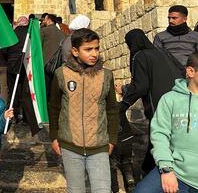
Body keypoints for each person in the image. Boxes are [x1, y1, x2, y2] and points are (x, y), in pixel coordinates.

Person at [49, 28, 119, 193]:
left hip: (100, 146)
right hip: (70, 146)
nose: (94, 53)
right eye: (88, 49)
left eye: (96, 48)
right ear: (75, 51)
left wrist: (112, 139)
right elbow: (54, 108)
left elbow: (112, 110)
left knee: (103, 190)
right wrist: (54, 136)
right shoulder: (61, 74)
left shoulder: (106, 75)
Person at [115, 29, 183, 174]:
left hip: (159, 105)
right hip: (179, 101)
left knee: (158, 139)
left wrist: (125, 103)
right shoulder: (163, 52)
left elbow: (140, 86)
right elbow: (182, 71)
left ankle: (149, 172)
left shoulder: (139, 56)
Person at [133, 52, 198, 193]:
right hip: (176, 171)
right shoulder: (170, 99)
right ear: (191, 71)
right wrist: (166, 169)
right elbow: (160, 135)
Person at [41, 14, 67, 99]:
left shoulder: (43, 31)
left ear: (48, 19)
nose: (43, 21)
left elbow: (38, 47)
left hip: (45, 64)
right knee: (54, 91)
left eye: (44, 19)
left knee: (44, 91)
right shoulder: (62, 34)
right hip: (57, 65)